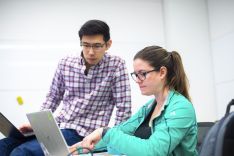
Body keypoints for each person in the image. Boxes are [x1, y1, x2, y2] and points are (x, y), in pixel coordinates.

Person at [0, 19, 132, 155]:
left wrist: (115, 142)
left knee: (22, 152)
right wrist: (38, 126)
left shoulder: (116, 65)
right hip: (57, 127)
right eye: (86, 45)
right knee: (3, 146)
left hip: (84, 134)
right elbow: (53, 96)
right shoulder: (66, 62)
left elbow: (124, 108)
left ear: (108, 44)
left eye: (97, 46)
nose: (91, 52)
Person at [70, 46, 198, 156]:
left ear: (162, 72)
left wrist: (105, 133)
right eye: (136, 75)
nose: (138, 80)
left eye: (142, 73)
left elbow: (154, 151)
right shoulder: (148, 108)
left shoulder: (181, 108)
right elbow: (121, 131)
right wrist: (80, 148)